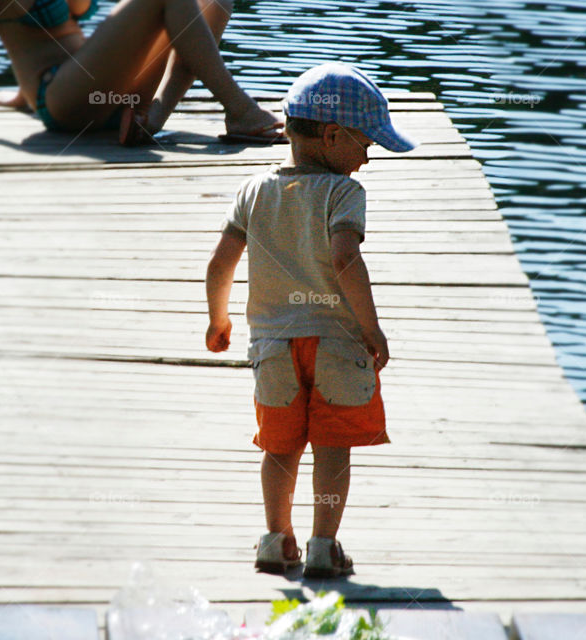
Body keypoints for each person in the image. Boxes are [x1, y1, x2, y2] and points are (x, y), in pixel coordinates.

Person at [204, 62, 417, 578]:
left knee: (279, 446)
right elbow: (345, 260)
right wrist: (371, 327)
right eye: (365, 145)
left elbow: (220, 263)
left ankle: (275, 540)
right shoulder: (343, 194)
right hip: (338, 344)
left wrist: (219, 319)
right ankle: (323, 545)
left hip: (273, 346)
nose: (367, 159)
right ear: (331, 135)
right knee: (332, 445)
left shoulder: (254, 190)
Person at [0, 0, 283, 144]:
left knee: (217, 1)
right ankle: (239, 109)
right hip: (62, 98)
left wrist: (17, 95)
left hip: (114, 95)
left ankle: (153, 119)